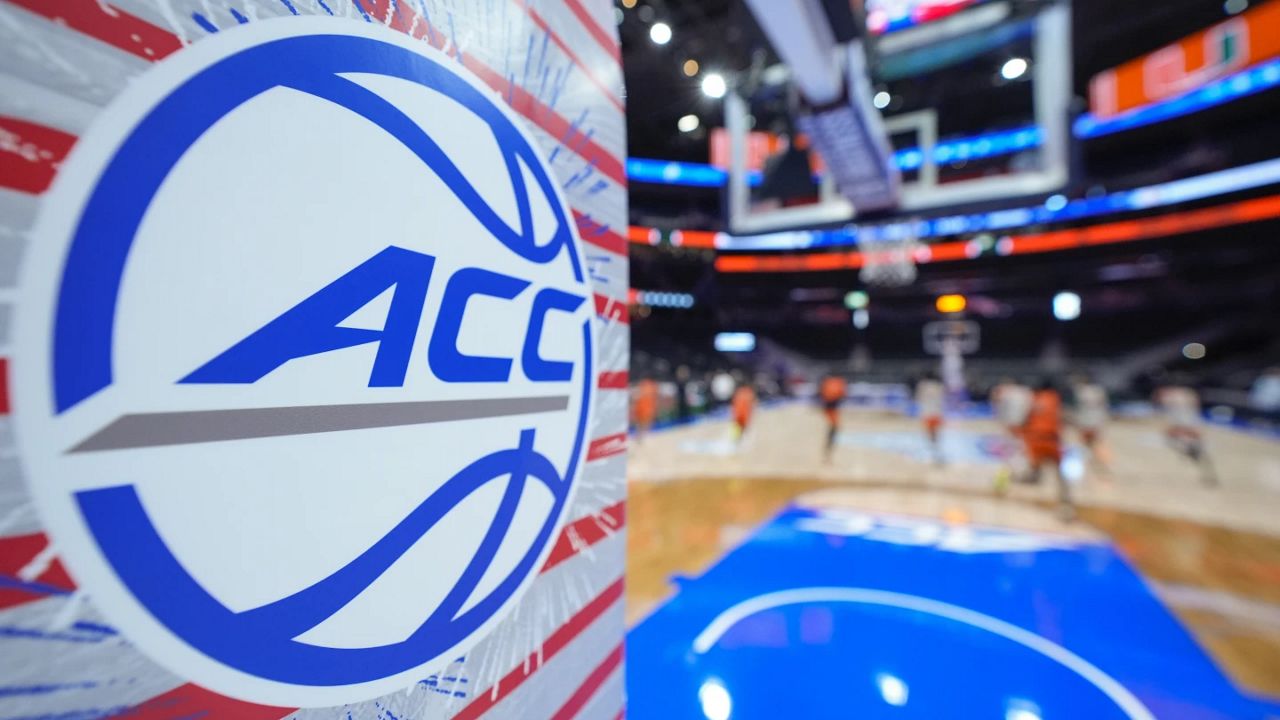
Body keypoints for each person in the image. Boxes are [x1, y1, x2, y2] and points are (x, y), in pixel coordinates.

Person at [1022, 379, 1074, 521]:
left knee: (1034, 467)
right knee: (1060, 474)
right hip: (1050, 439)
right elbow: (1062, 417)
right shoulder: (1055, 398)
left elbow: (1026, 417)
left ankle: (1030, 481)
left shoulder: (1034, 398)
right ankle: (1065, 504)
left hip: (1035, 439)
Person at [1156, 382, 1218, 486]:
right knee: (1195, 451)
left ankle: (1207, 474)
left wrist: (1185, 431)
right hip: (1184, 429)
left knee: (1199, 452)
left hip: (1187, 428)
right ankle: (1205, 471)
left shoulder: (1177, 399)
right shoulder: (1184, 397)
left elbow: (1190, 419)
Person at [991, 378, 1032, 492]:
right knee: (1016, 454)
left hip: (1010, 427)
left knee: (1008, 456)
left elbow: (996, 403)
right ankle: (1009, 479)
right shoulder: (1026, 393)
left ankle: (1005, 480)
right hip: (1020, 427)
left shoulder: (1005, 392)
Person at [1073, 377, 1112, 476]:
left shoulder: (1081, 391)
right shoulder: (1099, 391)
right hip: (1097, 421)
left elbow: (1080, 409)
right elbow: (1104, 406)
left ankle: (1094, 463)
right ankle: (1103, 462)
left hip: (1086, 422)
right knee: (1097, 443)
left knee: (1088, 444)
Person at [915, 374, 946, 465]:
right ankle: (935, 452)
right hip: (936, 413)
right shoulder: (939, 387)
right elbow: (942, 400)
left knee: (930, 435)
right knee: (935, 435)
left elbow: (918, 399)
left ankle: (933, 453)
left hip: (928, 414)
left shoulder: (922, 386)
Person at [819, 373, 848, 462]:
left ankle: (828, 451)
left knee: (832, 429)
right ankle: (828, 451)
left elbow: (821, 394)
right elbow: (843, 395)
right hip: (832, 410)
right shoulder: (839, 383)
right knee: (833, 429)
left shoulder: (827, 382)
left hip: (829, 409)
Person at [730, 376, 757, 446]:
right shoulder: (747, 392)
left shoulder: (741, 392)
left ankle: (737, 440)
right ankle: (737, 440)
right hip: (742, 413)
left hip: (741, 413)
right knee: (740, 427)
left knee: (739, 427)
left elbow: (734, 403)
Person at [633, 377, 658, 444]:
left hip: (645, 408)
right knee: (641, 423)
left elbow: (653, 398)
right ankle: (640, 436)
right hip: (642, 409)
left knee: (645, 423)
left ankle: (643, 436)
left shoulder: (650, 387)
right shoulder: (645, 387)